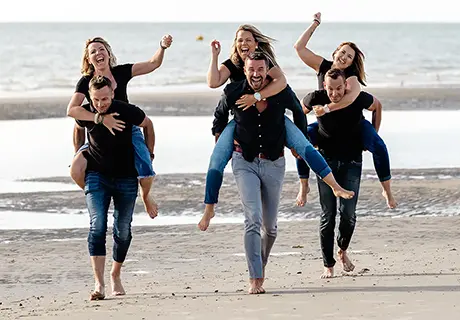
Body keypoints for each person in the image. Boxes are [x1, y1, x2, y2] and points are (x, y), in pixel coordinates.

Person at [198, 25, 353, 231]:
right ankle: (209, 208)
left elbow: (282, 83)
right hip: (241, 121)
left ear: (256, 43)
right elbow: (213, 82)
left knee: (304, 146)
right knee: (216, 159)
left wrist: (256, 97)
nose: (243, 43)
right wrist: (214, 55)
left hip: (273, 117)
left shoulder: (264, 62)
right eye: (239, 40)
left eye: (248, 39)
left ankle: (335, 186)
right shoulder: (234, 64)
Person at [211, 51, 335, 293]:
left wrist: (297, 141)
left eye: (260, 69)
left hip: (274, 163)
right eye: (251, 69)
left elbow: (298, 111)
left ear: (267, 70)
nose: (256, 74)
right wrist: (219, 137)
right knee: (252, 220)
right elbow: (219, 114)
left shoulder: (280, 91)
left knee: (271, 228)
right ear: (244, 70)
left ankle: (261, 263)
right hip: (244, 161)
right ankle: (255, 277)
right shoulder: (233, 91)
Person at [294, 12, 397, 209]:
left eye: (349, 56)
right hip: (325, 125)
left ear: (351, 63)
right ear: (335, 52)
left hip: (353, 124)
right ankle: (303, 185)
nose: (344, 57)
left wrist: (325, 109)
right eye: (342, 52)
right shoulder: (322, 66)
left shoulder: (351, 78)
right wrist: (315, 24)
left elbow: (349, 100)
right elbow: (299, 48)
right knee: (301, 143)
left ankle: (387, 189)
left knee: (379, 147)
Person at [67, 35, 173, 218]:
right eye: (93, 52)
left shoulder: (121, 72)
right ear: (88, 59)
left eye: (101, 49)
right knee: (75, 170)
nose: (98, 53)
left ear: (108, 53)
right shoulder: (85, 82)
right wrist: (100, 119)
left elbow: (153, 63)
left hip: (127, 129)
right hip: (97, 132)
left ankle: (146, 196)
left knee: (147, 169)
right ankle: (98, 193)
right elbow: (72, 110)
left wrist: (162, 47)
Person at [71, 75, 155, 300]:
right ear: (90, 97)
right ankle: (99, 284)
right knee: (97, 226)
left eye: (105, 99)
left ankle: (115, 274)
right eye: (96, 100)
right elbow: (76, 124)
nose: (101, 104)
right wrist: (79, 151)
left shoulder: (125, 110)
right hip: (97, 176)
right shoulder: (88, 113)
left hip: (126, 178)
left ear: (112, 95)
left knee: (123, 230)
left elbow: (148, 124)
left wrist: (149, 153)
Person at [303, 68, 381, 278]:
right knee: (328, 215)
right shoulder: (316, 97)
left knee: (348, 214)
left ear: (345, 84)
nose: (335, 93)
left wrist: (372, 134)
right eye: (330, 89)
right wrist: (304, 137)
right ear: (324, 86)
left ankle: (342, 249)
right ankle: (328, 265)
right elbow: (299, 111)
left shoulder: (355, 98)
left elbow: (377, 106)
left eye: (338, 88)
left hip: (352, 161)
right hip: (325, 163)